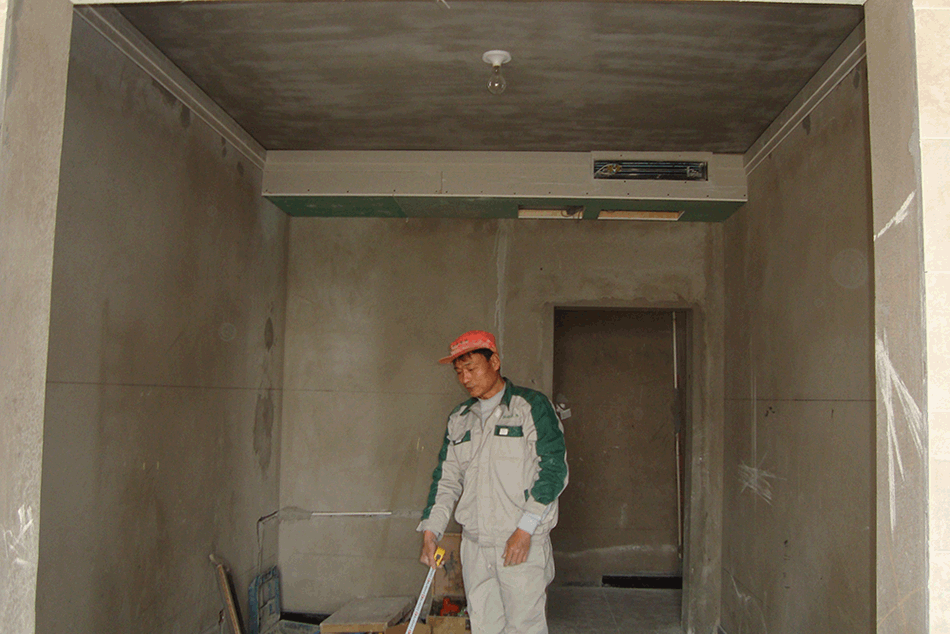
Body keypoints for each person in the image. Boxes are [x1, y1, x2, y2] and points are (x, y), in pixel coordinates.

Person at [417, 330, 568, 634]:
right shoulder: (460, 418)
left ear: (495, 362)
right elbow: (446, 479)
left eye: (471, 368)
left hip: (520, 541)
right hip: (476, 546)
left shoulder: (531, 407)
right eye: (459, 372)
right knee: (484, 626)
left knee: (524, 627)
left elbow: (553, 471)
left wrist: (525, 529)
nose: (464, 378)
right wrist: (431, 531)